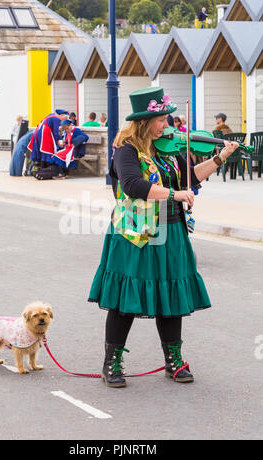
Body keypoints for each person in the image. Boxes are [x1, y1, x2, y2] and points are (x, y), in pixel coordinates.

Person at [88, 86, 239, 388]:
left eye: (168, 119)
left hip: (171, 230)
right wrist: (174, 193)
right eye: (162, 120)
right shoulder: (127, 150)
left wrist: (221, 156)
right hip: (135, 232)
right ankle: (111, 362)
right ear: (144, 121)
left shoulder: (167, 150)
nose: (167, 125)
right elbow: (132, 185)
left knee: (170, 295)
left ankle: (173, 360)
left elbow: (192, 175)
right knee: (125, 299)